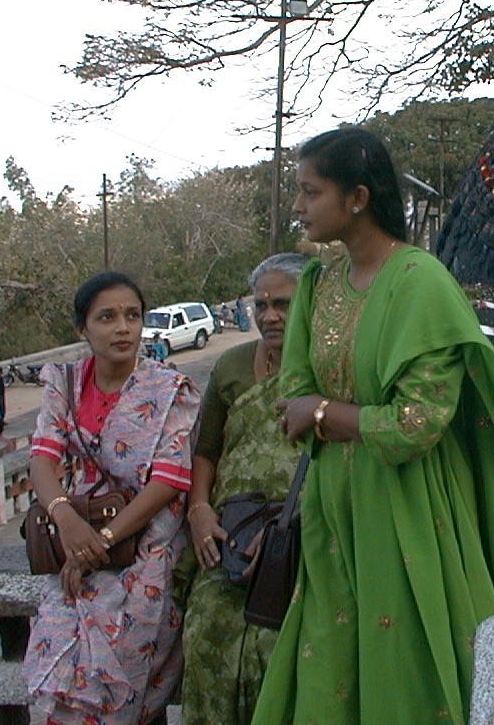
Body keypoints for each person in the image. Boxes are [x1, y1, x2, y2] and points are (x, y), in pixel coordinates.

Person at [250, 127, 494, 725]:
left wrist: (325, 414)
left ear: (357, 198)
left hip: (409, 506)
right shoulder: (316, 284)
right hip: (334, 507)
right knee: (333, 663)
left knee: (408, 661)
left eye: (310, 192)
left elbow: (416, 425)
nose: (298, 207)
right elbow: (292, 393)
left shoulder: (421, 284)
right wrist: (318, 413)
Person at [24, 271, 200, 725]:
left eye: (132, 316)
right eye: (107, 317)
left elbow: (167, 481)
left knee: (126, 651)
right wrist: (66, 520)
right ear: (83, 329)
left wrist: (98, 542)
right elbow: (43, 460)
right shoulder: (63, 384)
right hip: (76, 531)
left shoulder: (167, 390)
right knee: (58, 638)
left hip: (144, 538)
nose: (123, 327)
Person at [178, 252, 310, 725]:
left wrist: (294, 523)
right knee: (205, 628)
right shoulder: (232, 366)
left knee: (283, 647)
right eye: (261, 305)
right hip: (228, 535)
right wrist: (198, 509)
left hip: (302, 537)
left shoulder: (328, 367)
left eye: (283, 304)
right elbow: (206, 450)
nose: (270, 315)